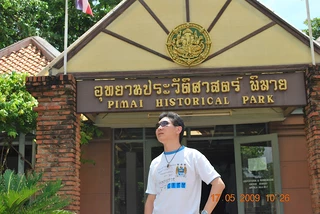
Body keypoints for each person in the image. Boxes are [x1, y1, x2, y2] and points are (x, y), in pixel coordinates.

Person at [144, 112, 225, 214]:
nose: (160, 128)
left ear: (178, 129)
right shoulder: (155, 163)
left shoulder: (193, 156)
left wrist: (206, 212)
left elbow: (218, 185)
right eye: (158, 125)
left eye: (164, 124)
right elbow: (151, 198)